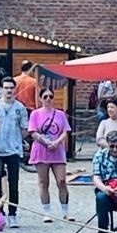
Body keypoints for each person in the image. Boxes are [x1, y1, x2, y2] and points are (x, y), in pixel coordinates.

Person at [28, 87, 73, 222]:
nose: (48, 99)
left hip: (57, 151)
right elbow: (33, 131)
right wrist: (45, 141)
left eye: (50, 97)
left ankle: (65, 211)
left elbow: (65, 131)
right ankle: (46, 211)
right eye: (45, 96)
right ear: (41, 98)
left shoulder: (60, 114)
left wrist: (57, 142)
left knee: (62, 181)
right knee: (43, 182)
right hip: (41, 150)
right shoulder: (35, 114)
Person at [0, 78, 29, 226]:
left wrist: (17, 139)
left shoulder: (20, 108)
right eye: (6, 88)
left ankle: (13, 213)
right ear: (1, 89)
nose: (9, 91)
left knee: (13, 184)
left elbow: (25, 128)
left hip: (12, 150)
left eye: (11, 88)